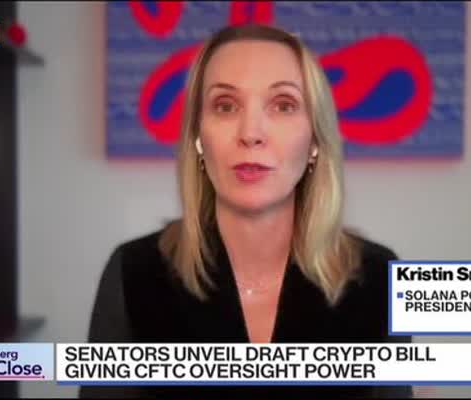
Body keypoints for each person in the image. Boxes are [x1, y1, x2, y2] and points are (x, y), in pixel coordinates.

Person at [80, 23, 412, 399]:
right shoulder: (133, 272)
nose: (251, 132)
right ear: (198, 137)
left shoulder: (379, 277)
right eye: (225, 106)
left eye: (283, 105)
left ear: (315, 141)